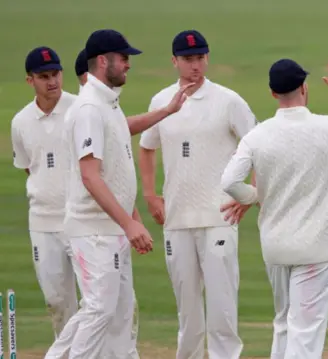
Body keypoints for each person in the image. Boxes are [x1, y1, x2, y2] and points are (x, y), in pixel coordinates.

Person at [44, 29, 192, 359]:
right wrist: (129, 222)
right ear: (102, 61)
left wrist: (166, 111)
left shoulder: (105, 103)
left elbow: (121, 127)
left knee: (121, 310)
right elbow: (89, 176)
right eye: (123, 58)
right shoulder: (88, 109)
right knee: (99, 310)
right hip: (94, 231)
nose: (128, 64)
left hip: (111, 231)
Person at [220, 58, 328, 359]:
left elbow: (229, 181)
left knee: (283, 323)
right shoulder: (327, 128)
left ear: (272, 93)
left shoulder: (257, 136)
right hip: (314, 249)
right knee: (305, 332)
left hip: (275, 247)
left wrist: (253, 196)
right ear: (305, 88)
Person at [138, 29, 257, 359]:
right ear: (174, 61)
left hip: (218, 216)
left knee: (221, 305)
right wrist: (150, 195)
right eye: (188, 59)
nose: (195, 65)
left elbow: (259, 146)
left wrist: (250, 194)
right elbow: (146, 147)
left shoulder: (228, 101)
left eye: (200, 58)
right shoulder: (161, 101)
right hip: (176, 217)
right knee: (187, 308)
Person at [10, 46, 80, 345]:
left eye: (56, 75)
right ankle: (67, 350)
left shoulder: (80, 110)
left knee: (97, 299)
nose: (52, 82)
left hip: (81, 219)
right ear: (31, 81)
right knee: (56, 298)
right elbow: (30, 168)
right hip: (42, 222)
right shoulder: (20, 122)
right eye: (44, 77)